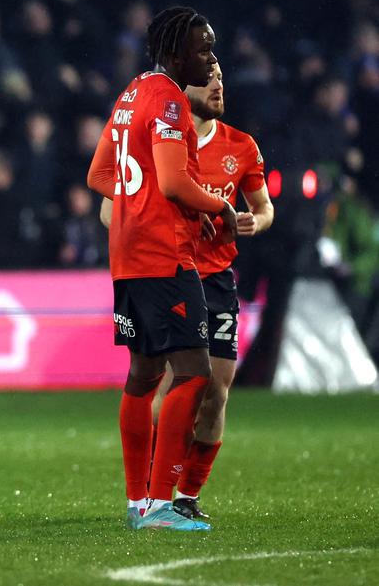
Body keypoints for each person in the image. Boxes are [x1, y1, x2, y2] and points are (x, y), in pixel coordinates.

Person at [86, 6, 237, 531]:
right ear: (175, 53)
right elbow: (175, 185)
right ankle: (157, 503)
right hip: (163, 256)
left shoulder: (131, 93)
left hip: (127, 255)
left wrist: (134, 203)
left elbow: (99, 173)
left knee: (145, 373)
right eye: (203, 48)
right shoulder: (171, 101)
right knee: (195, 373)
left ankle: (137, 502)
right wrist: (220, 209)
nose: (211, 58)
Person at [103, 63, 274, 519]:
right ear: (185, 84)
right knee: (167, 378)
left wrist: (253, 222)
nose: (219, 83)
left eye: (222, 75)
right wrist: (152, 222)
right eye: (209, 74)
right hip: (166, 270)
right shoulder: (157, 131)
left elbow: (264, 207)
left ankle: (183, 496)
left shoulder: (241, 146)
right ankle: (152, 495)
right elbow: (108, 205)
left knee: (216, 388)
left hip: (214, 277)